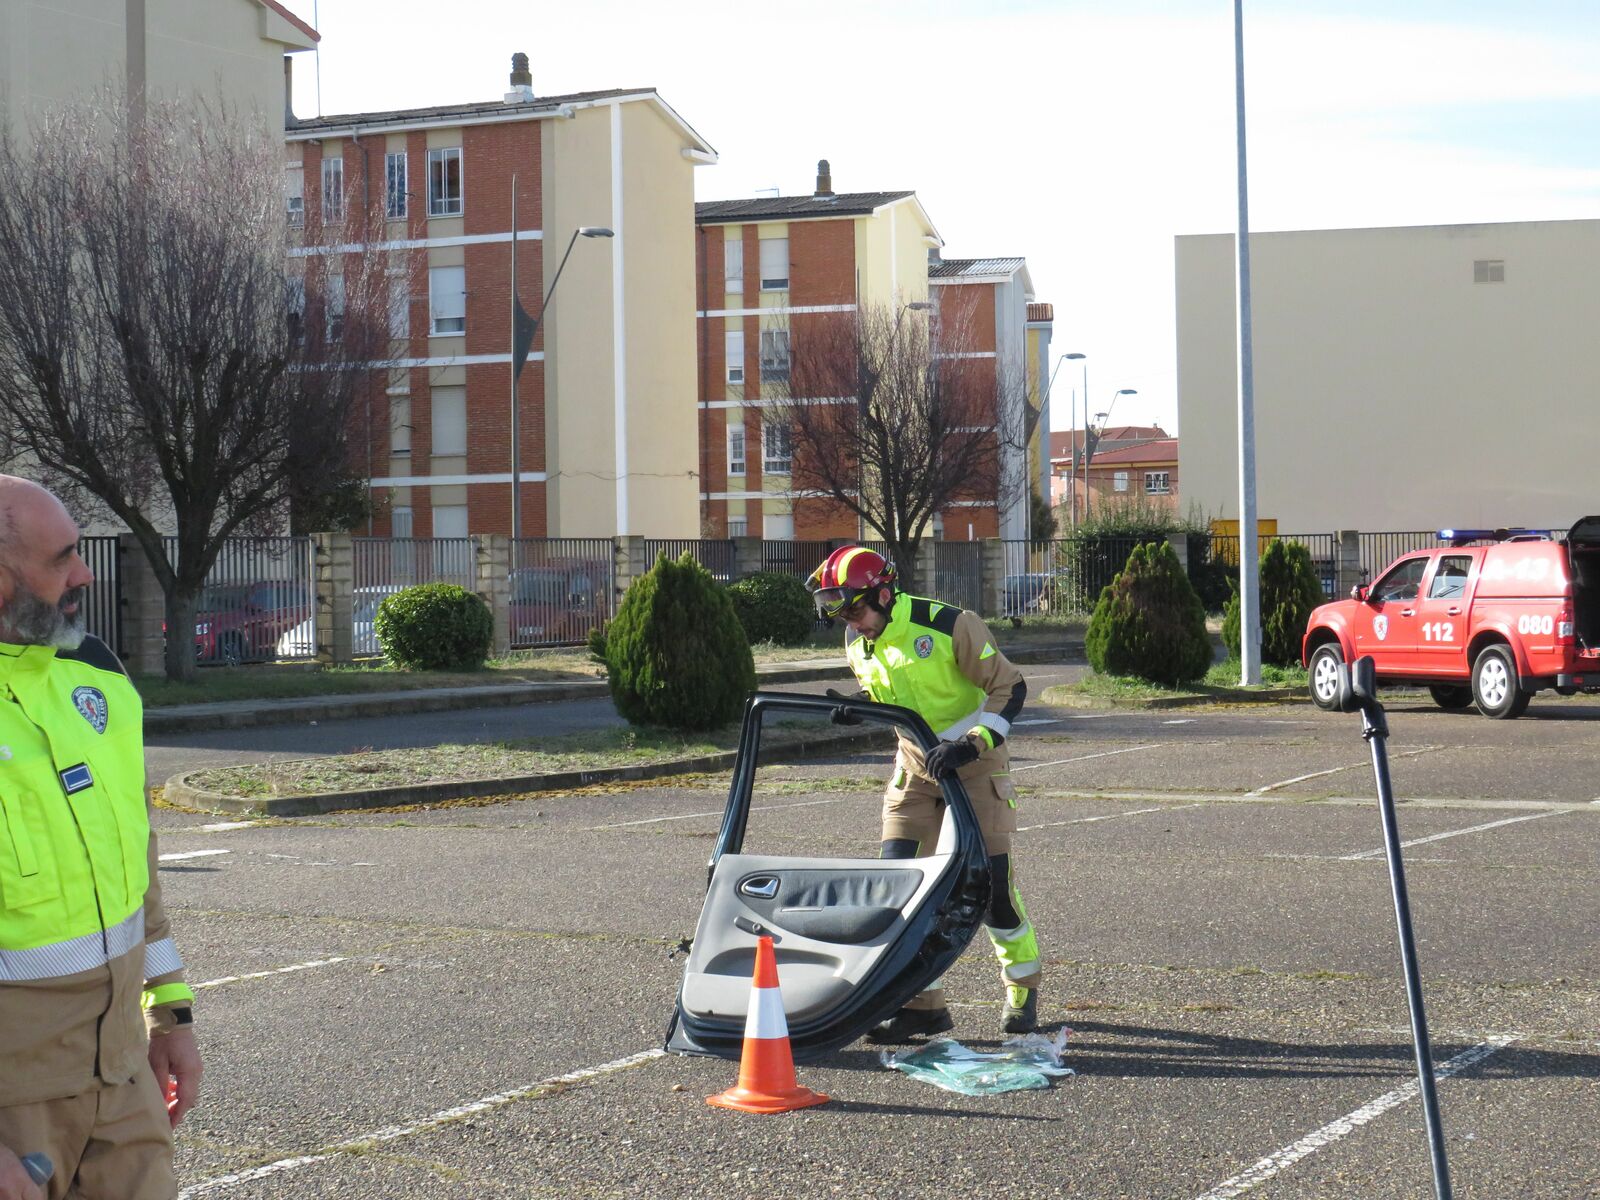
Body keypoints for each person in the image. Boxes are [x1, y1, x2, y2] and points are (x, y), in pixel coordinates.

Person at [0, 476, 201, 1200]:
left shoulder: (97, 678)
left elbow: (134, 866)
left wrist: (170, 1010)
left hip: (121, 1079)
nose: (84, 574)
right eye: (62, 558)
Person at [808, 544, 1040, 1041]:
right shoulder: (857, 642)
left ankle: (1022, 985)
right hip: (915, 772)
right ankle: (920, 1006)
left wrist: (972, 744)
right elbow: (892, 699)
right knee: (900, 888)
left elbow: (1010, 688)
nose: (851, 623)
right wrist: (858, 708)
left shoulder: (950, 625)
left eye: (855, 608)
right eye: (840, 613)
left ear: (885, 593)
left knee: (992, 890)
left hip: (975, 766)